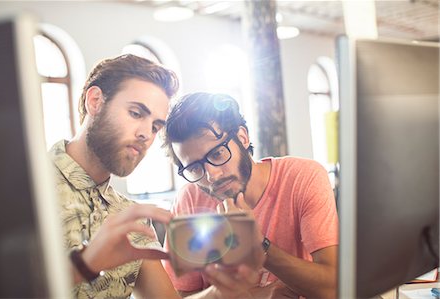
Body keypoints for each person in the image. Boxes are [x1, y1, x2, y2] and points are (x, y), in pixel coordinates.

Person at [51, 54, 259, 298]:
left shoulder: (132, 219)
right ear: (95, 101)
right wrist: (83, 266)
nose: (145, 135)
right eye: (136, 113)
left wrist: (219, 292)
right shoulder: (14, 189)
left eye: (154, 126)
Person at [162, 92, 339, 299]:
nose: (211, 175)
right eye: (194, 168)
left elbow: (332, 288)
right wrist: (259, 295)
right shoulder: (189, 201)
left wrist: (260, 247)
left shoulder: (302, 177)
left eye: (217, 154)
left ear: (242, 138)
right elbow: (181, 295)